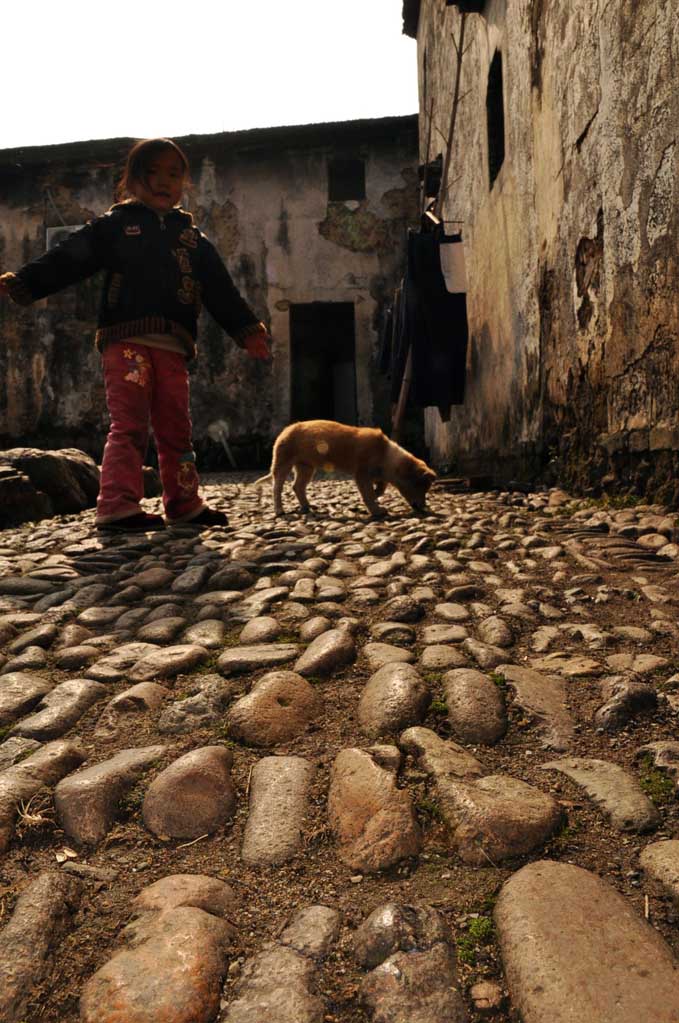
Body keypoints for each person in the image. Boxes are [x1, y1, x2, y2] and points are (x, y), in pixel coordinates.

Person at [0, 137, 271, 532]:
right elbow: (67, 257)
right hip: (125, 343)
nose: (164, 181)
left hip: (174, 346)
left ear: (185, 183)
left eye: (174, 174)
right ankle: (117, 506)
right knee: (129, 424)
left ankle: (184, 503)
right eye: (153, 173)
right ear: (131, 180)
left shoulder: (193, 239)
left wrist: (247, 331)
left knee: (177, 428)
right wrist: (21, 284)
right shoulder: (114, 225)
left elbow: (221, 289)